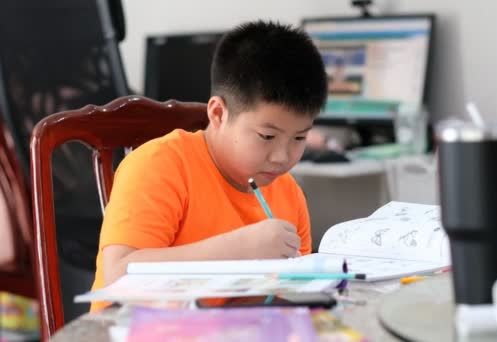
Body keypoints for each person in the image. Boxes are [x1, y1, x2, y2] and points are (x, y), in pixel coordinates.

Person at [89, 20, 328, 311]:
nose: (282, 156)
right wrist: (239, 250)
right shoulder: (161, 165)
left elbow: (291, 297)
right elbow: (119, 277)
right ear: (217, 113)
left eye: (299, 137)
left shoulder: (287, 192)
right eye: (267, 136)